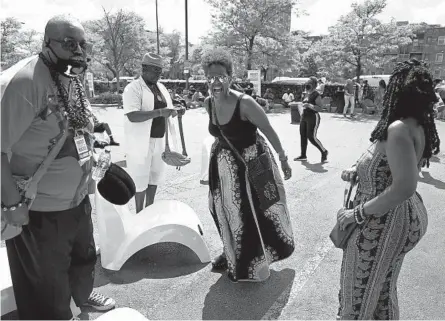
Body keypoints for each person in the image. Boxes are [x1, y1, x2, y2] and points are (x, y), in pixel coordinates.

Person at [1, 15, 115, 320]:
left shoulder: (70, 77)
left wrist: (101, 151)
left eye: (82, 43)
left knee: (83, 257)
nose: (78, 50)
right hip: (38, 209)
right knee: (45, 282)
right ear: (47, 43)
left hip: (77, 199)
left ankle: (82, 296)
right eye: (68, 43)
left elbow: (85, 126)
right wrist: (12, 206)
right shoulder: (24, 82)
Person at [336, 59, 440, 320]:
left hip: (382, 220)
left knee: (356, 297)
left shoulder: (398, 128)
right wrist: (356, 168)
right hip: (401, 217)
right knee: (381, 292)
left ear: (396, 90)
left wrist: (356, 213)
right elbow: (391, 167)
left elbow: (404, 186)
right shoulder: (415, 124)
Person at [202, 48, 294, 283]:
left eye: (221, 75)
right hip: (222, 169)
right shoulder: (208, 103)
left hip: (250, 167)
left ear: (230, 76)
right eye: (210, 76)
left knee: (253, 214)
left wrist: (283, 158)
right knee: (222, 211)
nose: (215, 81)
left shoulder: (245, 103)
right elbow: (217, 135)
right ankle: (229, 251)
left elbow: (269, 131)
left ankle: (253, 260)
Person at [123, 52, 181, 213]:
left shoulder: (160, 87)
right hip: (141, 141)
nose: (158, 74)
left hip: (160, 140)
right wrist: (160, 112)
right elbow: (132, 115)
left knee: (154, 177)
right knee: (140, 179)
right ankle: (139, 213)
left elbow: (167, 109)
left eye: (160, 71)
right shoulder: (132, 88)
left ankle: (149, 210)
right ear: (144, 68)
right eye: (155, 70)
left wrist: (175, 111)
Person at [294, 77, 328, 163]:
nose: (306, 84)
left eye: (309, 83)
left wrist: (310, 105)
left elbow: (320, 108)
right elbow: (302, 104)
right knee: (303, 135)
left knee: (311, 137)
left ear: (313, 85)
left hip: (313, 117)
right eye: (306, 82)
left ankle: (324, 151)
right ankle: (303, 155)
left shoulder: (316, 94)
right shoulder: (306, 93)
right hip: (304, 116)